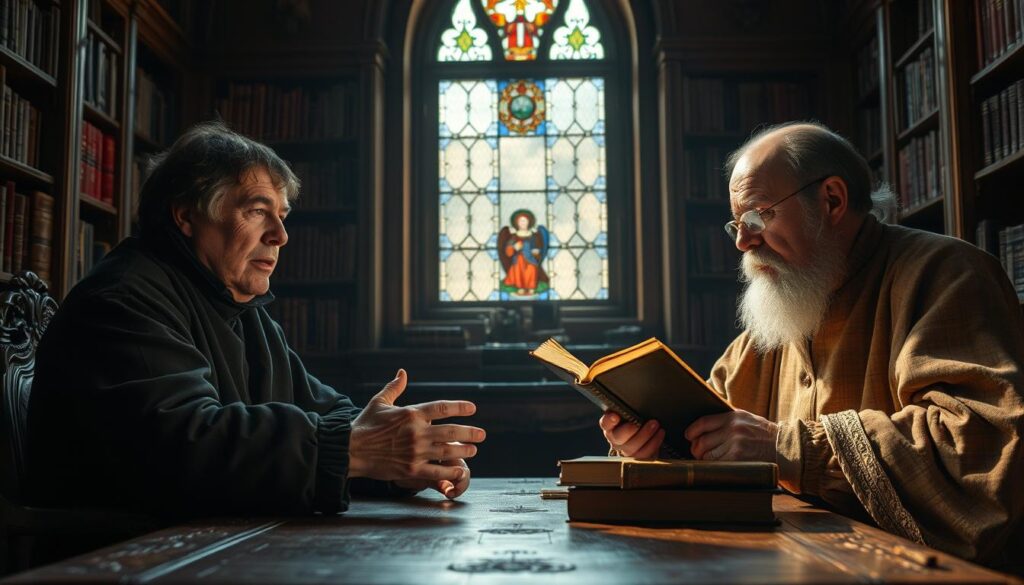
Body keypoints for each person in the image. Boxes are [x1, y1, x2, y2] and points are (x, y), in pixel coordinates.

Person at [599, 121, 1024, 571]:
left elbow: (979, 448)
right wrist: (649, 445)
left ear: (832, 200)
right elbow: (710, 420)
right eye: (736, 226)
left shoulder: (947, 273)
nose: (743, 242)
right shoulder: (786, 303)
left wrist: (787, 447)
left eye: (758, 216)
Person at [27, 121, 485, 517]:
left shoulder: (239, 307)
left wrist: (408, 461)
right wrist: (355, 449)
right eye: (257, 211)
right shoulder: (123, 300)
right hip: (125, 561)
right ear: (186, 215)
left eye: (282, 216)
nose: (281, 235)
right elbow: (184, 446)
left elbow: (327, 415)